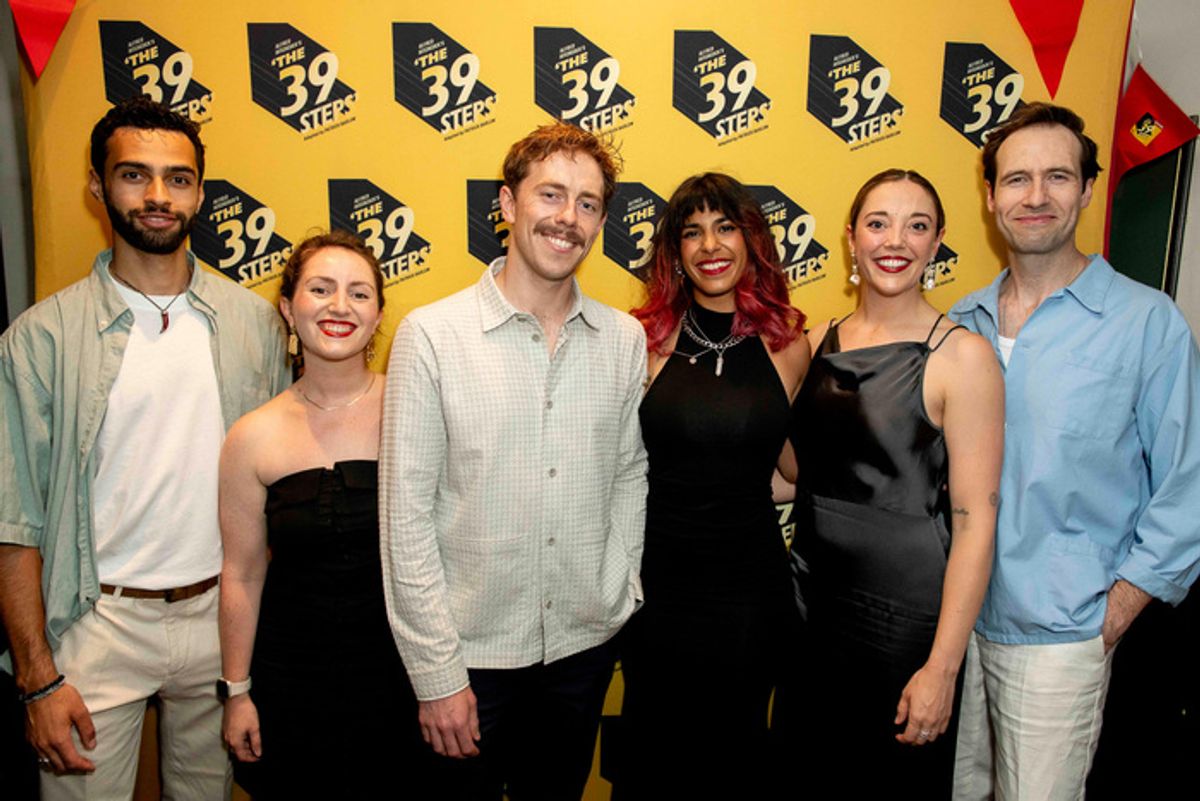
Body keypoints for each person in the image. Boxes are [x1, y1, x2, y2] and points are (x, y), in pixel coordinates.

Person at [0, 96, 288, 800]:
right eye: (134, 176)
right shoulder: (40, 338)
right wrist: (39, 676)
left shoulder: (255, 324)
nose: (158, 196)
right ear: (98, 187)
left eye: (178, 179)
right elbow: (14, 523)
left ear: (199, 192)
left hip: (222, 622)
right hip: (96, 623)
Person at [380, 122, 648, 800]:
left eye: (588, 203)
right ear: (507, 203)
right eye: (551, 194)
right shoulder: (431, 337)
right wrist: (437, 674)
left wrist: (621, 586)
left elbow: (628, 474)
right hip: (467, 664)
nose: (568, 218)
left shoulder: (623, 339)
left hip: (582, 654)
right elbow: (404, 519)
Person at [950, 103, 1200, 801]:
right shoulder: (958, 323)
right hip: (951, 630)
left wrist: (1113, 611)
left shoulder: (1147, 323)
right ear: (991, 196)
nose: (1035, 196)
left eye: (1057, 176)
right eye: (1017, 179)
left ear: (1087, 188)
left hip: (1060, 637)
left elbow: (1190, 486)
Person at [777, 169, 1004, 798]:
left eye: (917, 225)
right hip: (809, 610)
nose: (894, 240)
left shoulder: (962, 356)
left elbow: (976, 523)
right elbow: (798, 473)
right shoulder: (814, 340)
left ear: (937, 245)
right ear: (851, 237)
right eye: (878, 223)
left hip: (905, 629)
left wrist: (942, 668)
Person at [615, 172, 809, 799]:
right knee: (658, 765)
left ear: (751, 239)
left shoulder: (788, 344)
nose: (710, 245)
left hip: (751, 598)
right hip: (658, 592)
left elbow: (790, 473)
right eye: (691, 232)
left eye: (725, 226)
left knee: (737, 766)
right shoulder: (642, 340)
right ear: (674, 253)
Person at [217, 231, 426, 798]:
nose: (340, 306)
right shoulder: (251, 435)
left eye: (359, 293)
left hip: (403, 680)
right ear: (288, 307)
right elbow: (241, 573)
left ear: (379, 312)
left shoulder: (416, 407)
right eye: (320, 288)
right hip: (291, 684)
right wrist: (238, 692)